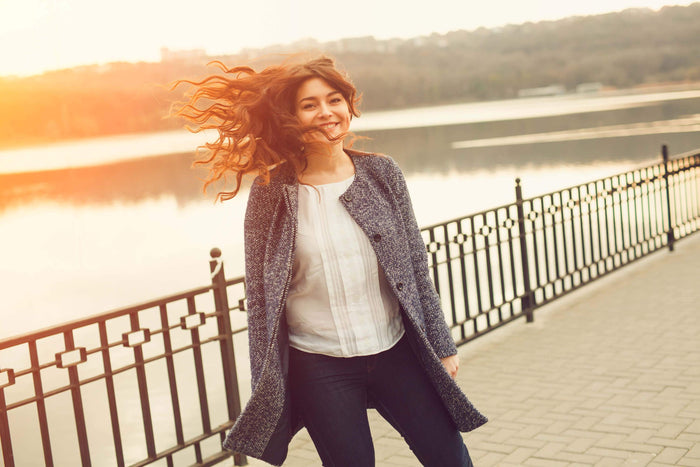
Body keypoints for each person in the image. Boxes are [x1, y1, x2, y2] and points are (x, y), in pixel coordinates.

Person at [175, 55, 487, 466]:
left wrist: (442, 345)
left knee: (450, 458)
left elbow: (415, 265)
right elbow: (261, 299)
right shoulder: (271, 192)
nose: (326, 112)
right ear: (291, 118)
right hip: (319, 365)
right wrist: (265, 384)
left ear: (348, 105)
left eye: (334, 99)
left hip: (396, 350)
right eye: (310, 105)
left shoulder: (382, 174)